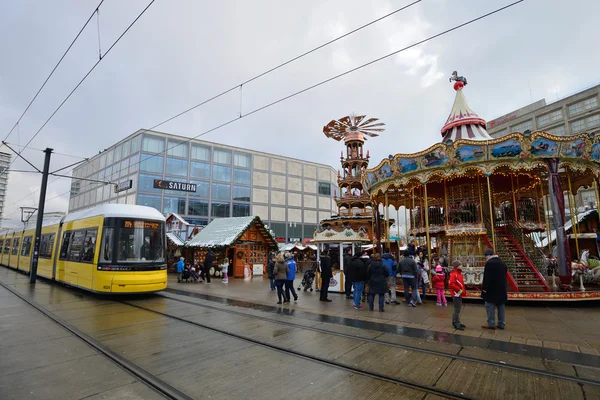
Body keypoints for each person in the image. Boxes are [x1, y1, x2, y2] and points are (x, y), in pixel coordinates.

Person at [481, 248, 508, 330]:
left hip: (491, 289)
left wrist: (484, 289)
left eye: (486, 257)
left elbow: (487, 277)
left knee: (490, 306)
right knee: (501, 306)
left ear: (488, 256)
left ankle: (491, 323)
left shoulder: (489, 263)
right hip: (501, 288)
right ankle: (501, 323)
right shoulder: (502, 262)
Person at [448, 260, 466, 330]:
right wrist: (459, 290)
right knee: (457, 309)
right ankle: (456, 322)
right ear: (457, 266)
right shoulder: (455, 274)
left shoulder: (458, 273)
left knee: (457, 308)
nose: (461, 266)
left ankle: (455, 321)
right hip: (456, 294)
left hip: (458, 293)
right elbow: (451, 284)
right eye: (460, 265)